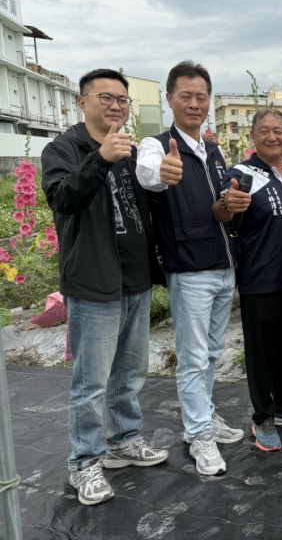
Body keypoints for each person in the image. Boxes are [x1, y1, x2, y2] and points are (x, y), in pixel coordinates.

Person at [41, 69, 168, 505]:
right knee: (91, 381)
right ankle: (84, 464)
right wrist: (102, 159)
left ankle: (123, 441)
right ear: (82, 102)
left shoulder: (132, 151)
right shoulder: (62, 149)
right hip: (92, 280)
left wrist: (164, 176)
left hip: (133, 277)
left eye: (123, 100)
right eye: (106, 97)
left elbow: (144, 204)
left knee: (130, 372)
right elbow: (63, 200)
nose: (116, 106)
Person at [136, 61, 246, 476]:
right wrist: (161, 172)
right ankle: (198, 434)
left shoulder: (213, 151)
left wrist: (228, 207)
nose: (195, 103)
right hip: (189, 269)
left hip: (222, 265)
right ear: (169, 99)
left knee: (213, 352)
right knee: (193, 357)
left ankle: (205, 417)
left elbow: (218, 210)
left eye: (202, 96)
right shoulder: (157, 145)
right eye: (186, 95)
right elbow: (148, 175)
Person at [220, 109, 282, 452]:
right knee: (261, 353)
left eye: (278, 130)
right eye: (264, 131)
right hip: (259, 278)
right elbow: (224, 208)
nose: (272, 137)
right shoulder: (241, 174)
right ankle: (262, 416)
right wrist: (227, 203)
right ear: (253, 137)